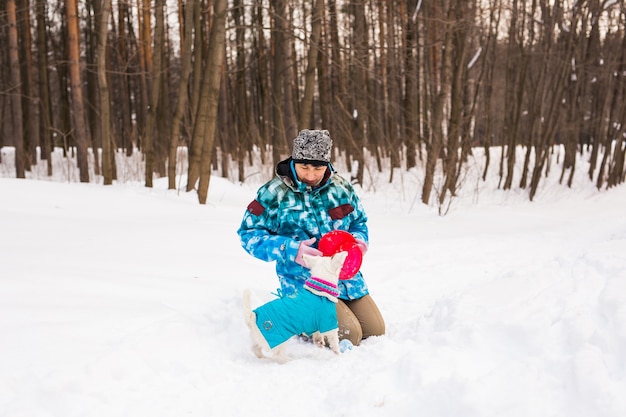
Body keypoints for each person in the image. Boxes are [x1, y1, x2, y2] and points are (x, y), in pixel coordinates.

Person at [237, 129, 385, 346]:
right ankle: (296, 317)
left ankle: (336, 308)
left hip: (345, 278)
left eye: (318, 168)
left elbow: (358, 222)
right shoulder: (273, 193)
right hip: (304, 282)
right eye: (304, 167)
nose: (311, 175)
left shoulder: (341, 188)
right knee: (350, 335)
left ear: (327, 164)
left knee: (375, 332)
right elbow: (248, 234)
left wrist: (358, 241)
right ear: (294, 161)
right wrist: (290, 249)